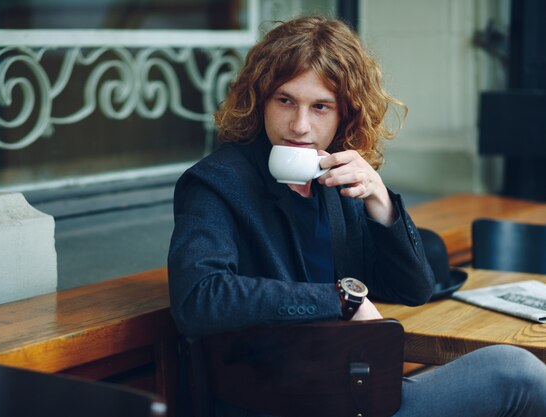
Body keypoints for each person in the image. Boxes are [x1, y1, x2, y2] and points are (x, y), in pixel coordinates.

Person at [167, 15, 546, 417]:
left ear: (344, 114)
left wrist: (381, 204)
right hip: (277, 397)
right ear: (259, 99)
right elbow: (198, 298)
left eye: (320, 107)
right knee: (515, 371)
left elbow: (414, 289)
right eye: (285, 100)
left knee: (514, 369)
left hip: (350, 387)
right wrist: (340, 300)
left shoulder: (338, 182)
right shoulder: (216, 183)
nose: (299, 125)